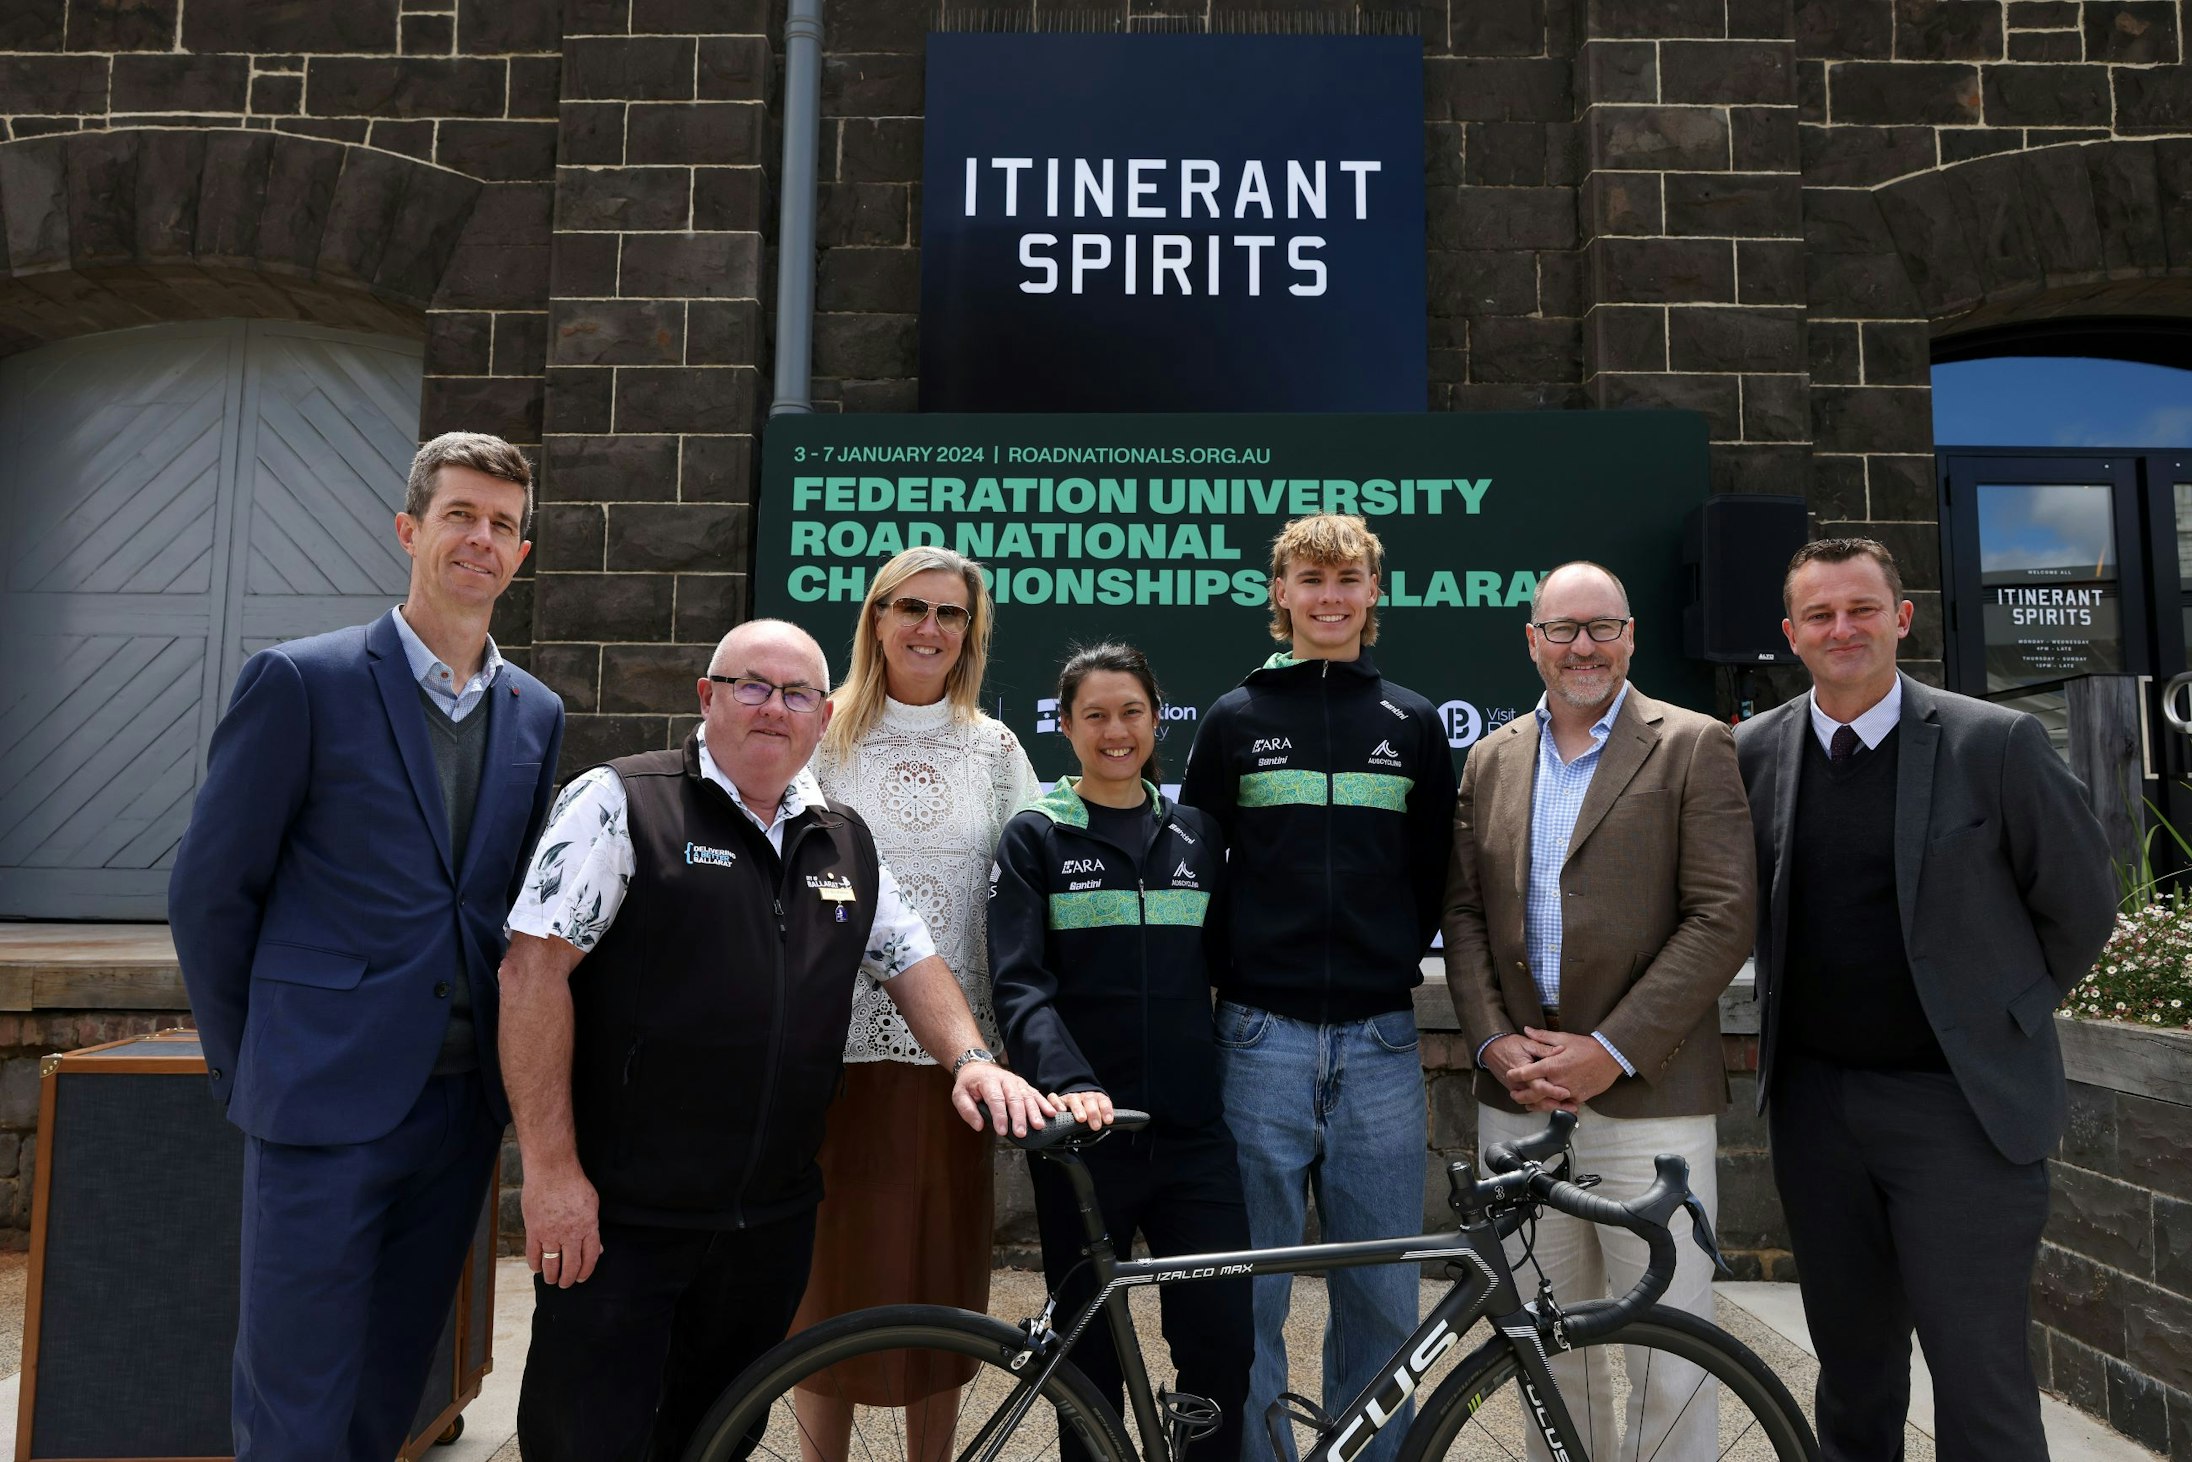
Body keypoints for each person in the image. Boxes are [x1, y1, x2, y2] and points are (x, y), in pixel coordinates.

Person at [498, 619, 1052, 1462]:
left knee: (718, 1434)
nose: (773, 708)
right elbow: (531, 977)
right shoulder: (623, 800)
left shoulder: (843, 838)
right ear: (707, 696)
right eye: (752, 685)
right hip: (622, 1215)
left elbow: (911, 959)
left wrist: (972, 1059)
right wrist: (550, 1172)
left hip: (768, 1221)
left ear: (822, 717)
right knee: (588, 1435)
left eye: (797, 694)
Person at [167, 433, 564, 1462]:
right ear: (409, 530)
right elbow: (211, 893)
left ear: (522, 553)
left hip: (456, 1109)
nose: (481, 539)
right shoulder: (302, 682)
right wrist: (249, 1064)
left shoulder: (536, 714)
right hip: (319, 1103)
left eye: (502, 526)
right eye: (459, 516)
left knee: (391, 1393)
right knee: (294, 1403)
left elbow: (513, 907)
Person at [1735, 538, 2116, 1462]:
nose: (1843, 629)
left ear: (1901, 618)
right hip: (1818, 1113)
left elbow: (2082, 906)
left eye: (1862, 608)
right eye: (1820, 615)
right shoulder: (1752, 753)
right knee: (1854, 1378)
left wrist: (1999, 1016)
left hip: (1961, 1112)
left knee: (1978, 1379)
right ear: (1792, 635)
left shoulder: (1997, 744)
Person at [1441, 560, 1755, 1460]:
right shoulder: (1491, 757)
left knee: (1671, 1353)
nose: (1584, 646)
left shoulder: (1693, 743)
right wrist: (1496, 1042)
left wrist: (1610, 1049)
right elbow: (1462, 912)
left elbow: (1723, 913)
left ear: (1630, 637)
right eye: (1564, 629)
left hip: (1647, 1101)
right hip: (1519, 1100)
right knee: (1543, 1345)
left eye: (1602, 627)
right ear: (1532, 642)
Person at [1178, 513, 1457, 1462]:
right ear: (1280, 594)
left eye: (1348, 580)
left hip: (1381, 1042)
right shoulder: (1233, 720)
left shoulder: (1414, 722)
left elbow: (1432, 876)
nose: (1329, 596)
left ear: (1374, 594)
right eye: (1310, 578)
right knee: (1247, 1289)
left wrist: (1381, 958)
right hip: (1258, 1039)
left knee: (1381, 1291)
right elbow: (1198, 874)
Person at [790, 549, 1043, 1453]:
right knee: (830, 1280)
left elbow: (1032, 891)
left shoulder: (998, 750)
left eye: (949, 614)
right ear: (875, 619)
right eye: (910, 609)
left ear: (971, 633)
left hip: (954, 1064)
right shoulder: (818, 738)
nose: (928, 629)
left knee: (938, 1278)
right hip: (834, 1057)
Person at [992, 643, 1253, 1462]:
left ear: (1157, 718)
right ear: (1065, 726)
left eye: (1131, 712)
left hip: (1193, 1136)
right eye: (1095, 715)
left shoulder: (1198, 835)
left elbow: (1232, 962)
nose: (1115, 731)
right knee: (1087, 1355)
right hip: (1083, 1137)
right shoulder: (1034, 837)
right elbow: (1019, 987)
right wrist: (1068, 1085)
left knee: (1220, 1345)